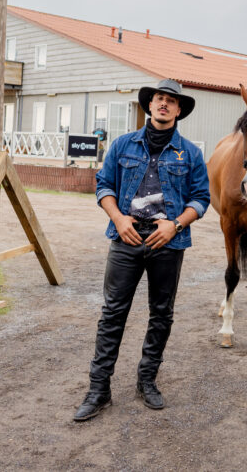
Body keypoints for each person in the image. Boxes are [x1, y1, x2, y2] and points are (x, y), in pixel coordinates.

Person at [73, 78, 210, 422]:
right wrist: (118, 219)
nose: (163, 104)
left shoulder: (190, 153)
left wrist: (175, 224)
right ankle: (98, 389)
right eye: (158, 99)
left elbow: (201, 198)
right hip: (126, 239)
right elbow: (103, 184)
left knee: (161, 313)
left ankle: (147, 380)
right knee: (112, 313)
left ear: (179, 110)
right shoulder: (121, 145)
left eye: (171, 101)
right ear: (149, 106)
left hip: (168, 241)